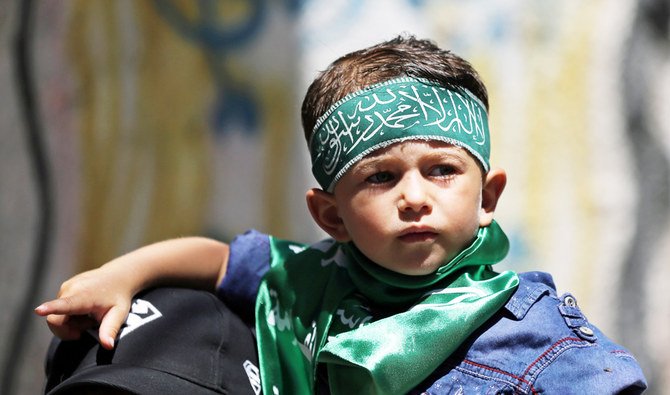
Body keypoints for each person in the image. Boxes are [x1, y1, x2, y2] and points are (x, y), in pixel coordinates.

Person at [36, 35, 648, 394]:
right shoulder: (312, 281)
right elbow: (218, 261)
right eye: (380, 178)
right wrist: (121, 277)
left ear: (487, 198)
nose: (414, 196)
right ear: (330, 216)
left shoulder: (541, 338)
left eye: (442, 170)